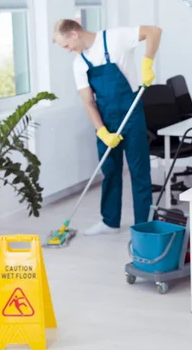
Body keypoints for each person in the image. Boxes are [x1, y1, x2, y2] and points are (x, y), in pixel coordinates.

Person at [53, 19, 162, 236]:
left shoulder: (114, 37)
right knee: (110, 170)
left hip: (131, 113)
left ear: (74, 34)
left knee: (139, 171)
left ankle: (143, 225)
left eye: (65, 45)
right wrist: (102, 131)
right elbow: (88, 102)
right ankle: (109, 222)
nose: (67, 51)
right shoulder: (79, 63)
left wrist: (147, 61)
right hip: (105, 119)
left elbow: (154, 31)